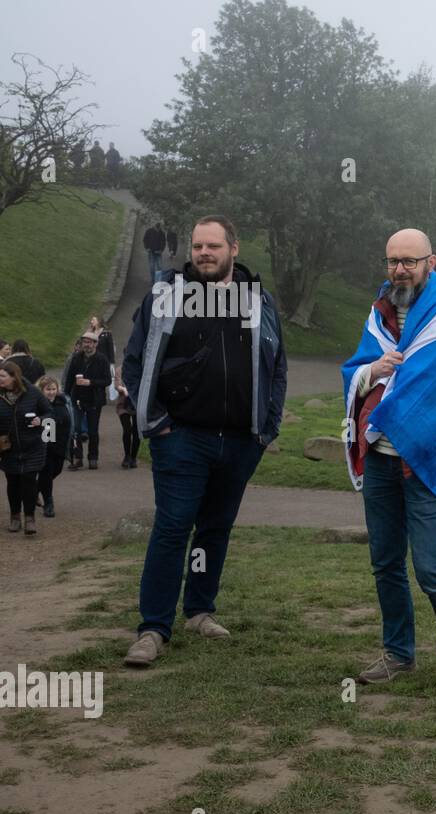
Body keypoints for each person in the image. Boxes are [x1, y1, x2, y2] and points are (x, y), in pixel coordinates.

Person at [120, 214, 287, 667]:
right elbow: (133, 365)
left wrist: (265, 429)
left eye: (213, 246)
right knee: (173, 527)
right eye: (197, 247)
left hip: (239, 441)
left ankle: (198, 611)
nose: (204, 254)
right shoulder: (164, 296)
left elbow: (277, 367)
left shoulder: (259, 300)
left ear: (234, 249)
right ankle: (153, 628)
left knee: (215, 529)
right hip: (181, 438)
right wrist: (155, 423)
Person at [342, 228, 436, 694]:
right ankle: (398, 653)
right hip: (382, 460)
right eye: (393, 261)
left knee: (430, 569)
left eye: (409, 260)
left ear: (432, 260)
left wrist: (424, 428)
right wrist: (374, 370)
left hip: (424, 463)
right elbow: (358, 370)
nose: (400, 269)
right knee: (385, 562)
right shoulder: (380, 310)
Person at [1, 361, 52, 535]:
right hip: (8, 449)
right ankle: (15, 517)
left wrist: (41, 420)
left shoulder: (33, 393)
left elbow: (49, 413)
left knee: (29, 481)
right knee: (13, 483)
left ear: (14, 377)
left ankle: (29, 518)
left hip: (32, 446)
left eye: (2, 376)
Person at [63, 330, 111, 470]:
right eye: (84, 342)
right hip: (77, 398)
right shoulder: (76, 358)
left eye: (89, 342)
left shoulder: (102, 359)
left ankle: (93, 458)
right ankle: (78, 458)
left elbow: (107, 380)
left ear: (96, 344)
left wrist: (90, 382)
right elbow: (70, 378)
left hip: (95, 400)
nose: (86, 345)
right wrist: (66, 394)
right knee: (76, 429)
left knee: (93, 431)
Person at [35, 375, 73, 517]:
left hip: (61, 443)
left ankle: (33, 491)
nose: (51, 392)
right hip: (45, 445)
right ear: (41, 390)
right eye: (47, 389)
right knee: (47, 473)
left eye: (53, 389)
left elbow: (70, 421)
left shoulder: (63, 402)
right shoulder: (38, 404)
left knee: (56, 470)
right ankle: (49, 504)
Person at [115, 366, 140, 468]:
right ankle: (127, 456)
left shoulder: (140, 368)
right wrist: (123, 389)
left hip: (137, 404)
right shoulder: (120, 369)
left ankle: (134, 457)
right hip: (123, 404)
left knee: (136, 431)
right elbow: (117, 385)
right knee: (127, 429)